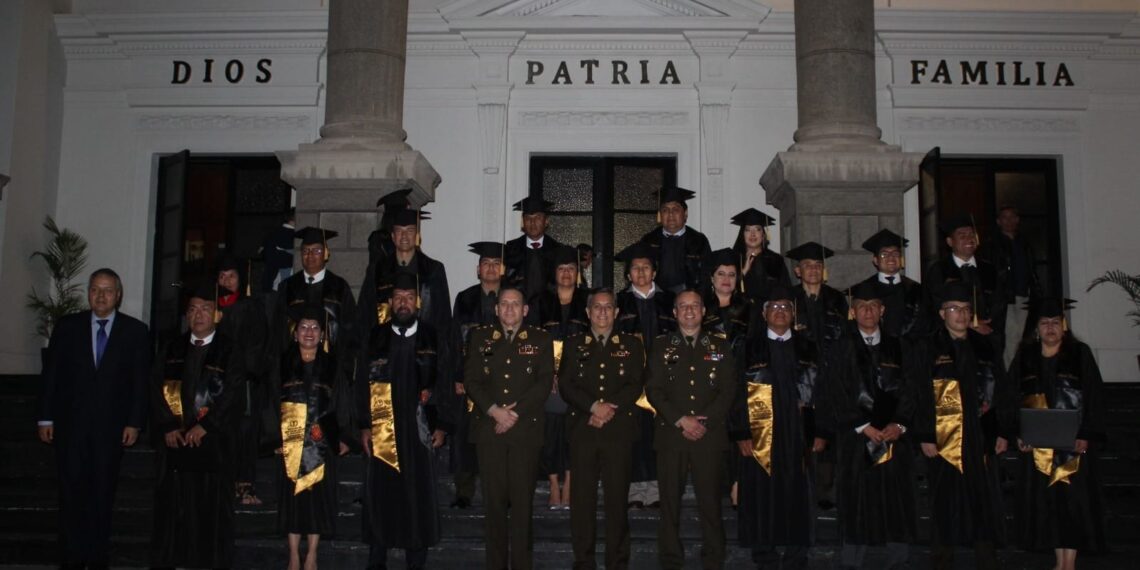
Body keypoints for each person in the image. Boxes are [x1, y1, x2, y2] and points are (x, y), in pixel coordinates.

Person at [37, 268, 151, 570]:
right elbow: (52, 376)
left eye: (107, 290)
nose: (101, 296)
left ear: (118, 295)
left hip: (111, 431)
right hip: (70, 429)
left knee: (102, 496)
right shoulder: (67, 327)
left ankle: (97, 558)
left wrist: (134, 422)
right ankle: (71, 559)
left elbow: (140, 382)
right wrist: (45, 418)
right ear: (88, 292)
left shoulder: (135, 332)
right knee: (70, 495)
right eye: (95, 289)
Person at [913, 281, 1013, 570]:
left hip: (981, 432)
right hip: (943, 435)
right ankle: (942, 556)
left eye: (966, 309)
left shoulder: (985, 345)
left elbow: (1002, 390)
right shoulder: (928, 346)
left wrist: (1003, 430)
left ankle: (986, 554)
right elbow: (917, 392)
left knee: (984, 495)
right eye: (954, 309)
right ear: (942, 313)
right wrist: (925, 434)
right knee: (944, 498)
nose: (961, 315)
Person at [150, 282, 245, 569]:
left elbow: (234, 392)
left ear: (217, 314)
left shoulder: (230, 349)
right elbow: (154, 388)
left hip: (213, 445)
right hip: (175, 443)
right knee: (173, 509)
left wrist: (207, 426)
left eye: (205, 309)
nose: (198, 315)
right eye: (192, 309)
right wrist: (168, 425)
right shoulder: (172, 347)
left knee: (211, 513)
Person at [826, 282, 918, 570]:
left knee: (896, 497)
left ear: (883, 310)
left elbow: (913, 389)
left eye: (873, 306)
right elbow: (834, 391)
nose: (868, 311)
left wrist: (900, 424)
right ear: (853, 312)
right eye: (862, 307)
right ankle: (854, 559)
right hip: (855, 439)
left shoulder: (899, 346)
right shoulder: (841, 348)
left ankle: (897, 559)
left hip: (894, 438)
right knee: (856, 497)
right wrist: (862, 425)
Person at [1010, 298, 1107, 570]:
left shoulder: (1080, 354)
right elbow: (1010, 397)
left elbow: (1095, 396)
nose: (1050, 328)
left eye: (1055, 322)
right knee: (1050, 505)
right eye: (1044, 323)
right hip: (1039, 448)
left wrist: (1087, 433)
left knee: (1073, 506)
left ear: (1063, 326)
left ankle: (1070, 563)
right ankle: (1058, 561)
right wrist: (1018, 433)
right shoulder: (1025, 357)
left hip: (1073, 447)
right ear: (1036, 328)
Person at [358, 272, 445, 570]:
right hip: (384, 426)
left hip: (419, 429)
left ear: (417, 302)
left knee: (418, 494)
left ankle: (416, 561)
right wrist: (364, 425)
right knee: (380, 492)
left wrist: (442, 425)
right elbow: (360, 383)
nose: (404, 303)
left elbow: (444, 382)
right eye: (398, 298)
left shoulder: (432, 336)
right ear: (391, 302)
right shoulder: (375, 335)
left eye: (409, 298)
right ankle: (376, 559)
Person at [463, 288, 555, 570]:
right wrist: (495, 411)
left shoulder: (540, 339)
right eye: (504, 304)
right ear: (496, 309)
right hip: (489, 431)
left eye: (516, 304)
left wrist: (513, 413)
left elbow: (544, 382)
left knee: (522, 507)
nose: (510, 309)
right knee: (493, 507)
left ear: (525, 310)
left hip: (524, 432)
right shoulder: (480, 337)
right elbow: (471, 380)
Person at [646, 289, 737, 570]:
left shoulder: (720, 346)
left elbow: (728, 391)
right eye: (683, 306)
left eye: (695, 306)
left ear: (704, 311)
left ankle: (713, 560)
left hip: (708, 437)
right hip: (672, 435)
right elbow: (654, 390)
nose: (689, 311)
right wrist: (681, 420)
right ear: (674, 312)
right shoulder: (661, 345)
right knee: (670, 506)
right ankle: (671, 561)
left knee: (710, 505)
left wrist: (702, 421)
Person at [732, 286, 819, 570]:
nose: (780, 311)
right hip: (760, 434)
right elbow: (734, 393)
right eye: (775, 307)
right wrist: (742, 432)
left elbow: (823, 391)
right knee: (760, 493)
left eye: (786, 307)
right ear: (764, 312)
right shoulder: (748, 346)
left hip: (798, 434)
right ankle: (764, 554)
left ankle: (797, 555)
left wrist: (820, 432)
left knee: (797, 493)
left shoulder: (809, 347)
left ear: (793, 314)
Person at [559, 288, 646, 570]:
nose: (603, 312)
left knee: (617, 502)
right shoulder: (574, 344)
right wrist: (594, 407)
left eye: (608, 307)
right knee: (581, 502)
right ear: (587, 312)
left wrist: (607, 409)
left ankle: (617, 562)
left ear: (617, 312)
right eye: (597, 307)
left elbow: (634, 384)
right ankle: (583, 561)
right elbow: (566, 384)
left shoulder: (632, 344)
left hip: (618, 431)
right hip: (582, 430)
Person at [274, 304, 350, 570]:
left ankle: (312, 554)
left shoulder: (332, 365)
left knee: (317, 499)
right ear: (295, 333)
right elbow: (269, 401)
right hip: (290, 441)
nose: (309, 332)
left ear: (322, 334)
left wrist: (339, 436)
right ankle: (294, 553)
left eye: (315, 328)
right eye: (303, 327)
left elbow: (341, 401)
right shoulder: (282, 363)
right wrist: (275, 438)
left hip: (321, 441)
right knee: (293, 498)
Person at [613, 242, 677, 509]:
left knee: (661, 435)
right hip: (631, 379)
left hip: (664, 378)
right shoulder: (619, 301)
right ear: (628, 275)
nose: (640, 272)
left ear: (655, 272)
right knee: (634, 434)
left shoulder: (669, 301)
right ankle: (635, 489)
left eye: (646, 268)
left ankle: (657, 488)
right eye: (635, 269)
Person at [784, 241, 846, 510]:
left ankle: (826, 491)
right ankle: (798, 489)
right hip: (800, 378)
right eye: (807, 266)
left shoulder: (836, 299)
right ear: (798, 271)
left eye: (817, 266)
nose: (813, 270)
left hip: (831, 375)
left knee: (829, 435)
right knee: (800, 435)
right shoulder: (789, 299)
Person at [446, 241, 505, 509]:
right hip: (470, 378)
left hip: (502, 379)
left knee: (500, 435)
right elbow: (455, 340)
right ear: (477, 270)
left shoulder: (511, 298)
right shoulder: (465, 298)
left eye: (495, 264)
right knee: (464, 437)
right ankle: (464, 491)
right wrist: (458, 376)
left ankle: (501, 491)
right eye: (485, 264)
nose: (490, 268)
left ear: (502, 269)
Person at [215, 253, 270, 505]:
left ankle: (245, 485)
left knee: (244, 433)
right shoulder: (209, 307)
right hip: (214, 385)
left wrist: (237, 373)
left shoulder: (250, 307)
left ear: (241, 279)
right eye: (222, 276)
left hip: (243, 383)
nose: (226, 281)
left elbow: (257, 346)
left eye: (232, 276)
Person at [538, 246, 589, 509]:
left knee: (574, 433)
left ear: (577, 272)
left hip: (579, 379)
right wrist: (549, 373)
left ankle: (569, 484)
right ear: (554, 272)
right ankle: (553, 485)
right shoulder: (540, 302)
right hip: (547, 379)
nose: (566, 273)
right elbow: (533, 342)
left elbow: (593, 341)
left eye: (571, 268)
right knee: (549, 434)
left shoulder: (588, 300)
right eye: (561, 268)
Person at [273, 227, 359, 381]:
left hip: (332, 365)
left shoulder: (339, 287)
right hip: (293, 366)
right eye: (305, 251)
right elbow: (278, 329)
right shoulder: (288, 286)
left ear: (326, 253)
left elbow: (350, 329)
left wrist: (345, 366)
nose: (310, 256)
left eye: (316, 251)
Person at [358, 202, 451, 336]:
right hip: (384, 346)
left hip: (424, 346)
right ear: (393, 237)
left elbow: (443, 317)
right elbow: (365, 313)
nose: (404, 236)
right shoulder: (377, 270)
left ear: (417, 236)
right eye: (399, 231)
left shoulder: (433, 270)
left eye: (410, 230)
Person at [924, 214, 1007, 359]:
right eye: (962, 235)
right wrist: (968, 324)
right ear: (950, 242)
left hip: (988, 336)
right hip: (952, 339)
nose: (969, 238)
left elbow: (999, 302)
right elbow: (934, 304)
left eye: (971, 234)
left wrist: (989, 326)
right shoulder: (939, 270)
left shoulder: (989, 269)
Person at [980, 206, 1042, 366]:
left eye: (1011, 217)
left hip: (1024, 295)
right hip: (1003, 298)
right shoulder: (992, 244)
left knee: (1022, 336)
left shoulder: (1025, 243)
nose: (1008, 221)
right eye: (1004, 217)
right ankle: (1007, 375)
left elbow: (1032, 269)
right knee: (1007, 337)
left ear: (1017, 220)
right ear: (998, 221)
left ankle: (1017, 373)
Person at [636, 187, 713, 294]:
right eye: (665, 210)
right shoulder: (649, 240)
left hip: (688, 302)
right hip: (656, 301)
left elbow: (706, 276)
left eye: (675, 209)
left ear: (685, 213)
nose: (670, 214)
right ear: (660, 215)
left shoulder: (699, 241)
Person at [856, 229, 930, 339]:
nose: (891, 257)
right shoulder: (866, 288)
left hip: (912, 349)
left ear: (901, 258)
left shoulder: (916, 289)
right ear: (875, 260)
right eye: (884, 254)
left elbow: (926, 323)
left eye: (895, 253)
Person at [504, 196, 565, 319]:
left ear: (546, 221)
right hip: (517, 315)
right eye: (528, 218)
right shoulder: (510, 249)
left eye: (538, 218)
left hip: (550, 315)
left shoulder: (558, 250)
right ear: (523, 222)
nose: (532, 223)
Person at [730, 208, 791, 305]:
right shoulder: (733, 259)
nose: (753, 234)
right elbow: (726, 290)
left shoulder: (775, 260)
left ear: (763, 235)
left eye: (757, 229)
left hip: (770, 313)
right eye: (748, 230)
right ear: (742, 234)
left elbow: (785, 290)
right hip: (741, 314)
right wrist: (743, 272)